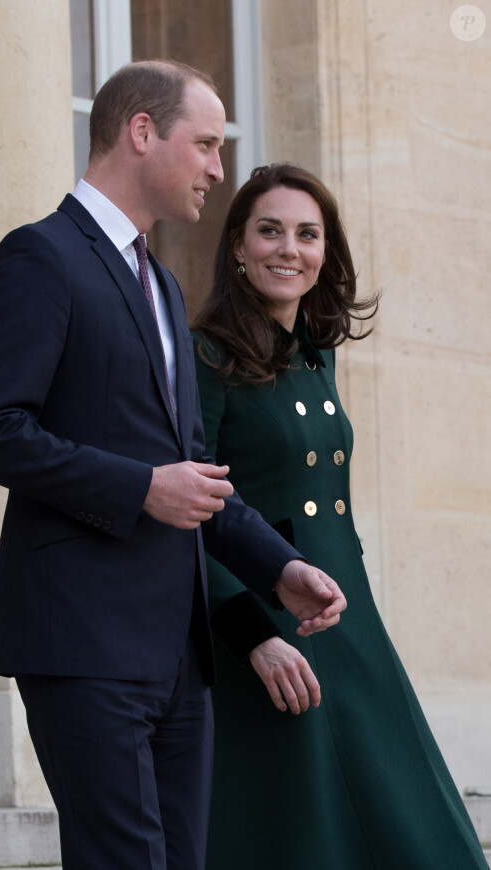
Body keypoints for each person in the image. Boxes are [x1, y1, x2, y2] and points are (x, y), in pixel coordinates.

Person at [0, 67, 347, 870]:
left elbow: (196, 471)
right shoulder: (40, 256)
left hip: (178, 652)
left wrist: (280, 568)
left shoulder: (164, 287)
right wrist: (138, 488)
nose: (216, 168)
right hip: (81, 641)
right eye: (204, 143)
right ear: (140, 131)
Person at [193, 162, 488, 870]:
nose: (287, 249)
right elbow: (194, 512)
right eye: (269, 231)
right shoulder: (203, 357)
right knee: (303, 831)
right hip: (265, 633)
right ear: (236, 245)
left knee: (411, 818)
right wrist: (252, 635)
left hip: (347, 621)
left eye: (307, 233)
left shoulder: (316, 354)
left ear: (326, 252)